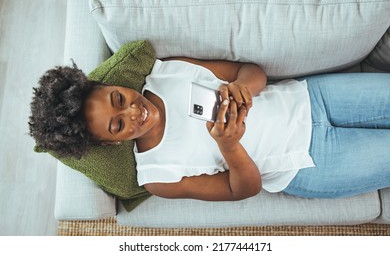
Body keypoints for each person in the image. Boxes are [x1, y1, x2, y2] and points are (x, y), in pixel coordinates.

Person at [29, 57, 390, 201]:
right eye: (118, 125)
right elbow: (241, 190)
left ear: (112, 85)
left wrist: (244, 88)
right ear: (107, 143)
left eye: (119, 98)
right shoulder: (157, 175)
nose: (135, 112)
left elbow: (250, 70)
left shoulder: (166, 73)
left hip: (312, 97)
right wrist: (230, 146)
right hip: (309, 160)